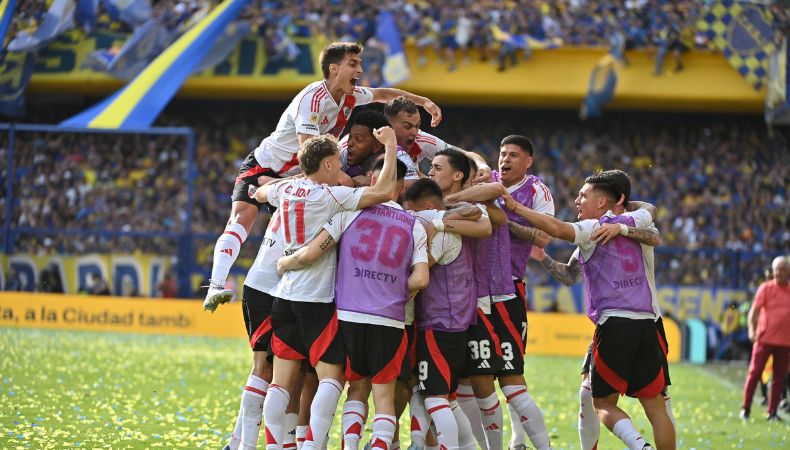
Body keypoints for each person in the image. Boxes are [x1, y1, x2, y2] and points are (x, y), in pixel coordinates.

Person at [204, 41, 442, 312]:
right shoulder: (312, 98)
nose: (360, 70)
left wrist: (423, 101)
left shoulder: (351, 96)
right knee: (241, 219)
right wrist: (341, 178)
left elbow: (382, 94)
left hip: (297, 176)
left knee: (297, 234)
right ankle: (215, 285)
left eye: (359, 64)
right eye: (353, 64)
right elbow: (310, 153)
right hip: (266, 167)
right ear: (333, 68)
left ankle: (287, 293)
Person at [500, 169, 675, 450]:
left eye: (584, 195)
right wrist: (542, 258)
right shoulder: (635, 220)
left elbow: (557, 229)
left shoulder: (590, 230)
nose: (577, 200)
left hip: (618, 324)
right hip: (644, 325)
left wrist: (513, 208)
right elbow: (570, 275)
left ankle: (640, 447)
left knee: (603, 403)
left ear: (604, 201)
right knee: (652, 404)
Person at [254, 128, 400, 450]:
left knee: (280, 382)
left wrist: (258, 191)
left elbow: (264, 193)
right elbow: (387, 190)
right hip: (315, 300)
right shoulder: (331, 196)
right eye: (339, 162)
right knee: (331, 379)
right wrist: (390, 146)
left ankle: (273, 446)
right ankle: (311, 445)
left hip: (284, 296)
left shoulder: (288, 189)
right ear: (330, 164)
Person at [276, 158, 429, 450]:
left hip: (348, 317)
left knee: (355, 389)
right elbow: (421, 279)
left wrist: (285, 262)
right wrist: (395, 290)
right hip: (391, 319)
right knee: (383, 397)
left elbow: (312, 253)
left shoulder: (348, 213)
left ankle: (348, 445)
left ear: (373, 178)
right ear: (401, 185)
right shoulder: (415, 225)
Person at [443, 136, 554, 450]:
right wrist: (479, 164)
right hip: (469, 291)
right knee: (469, 378)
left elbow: (543, 238)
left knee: (509, 375)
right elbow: (468, 151)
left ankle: (526, 441)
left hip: (507, 289)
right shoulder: (486, 178)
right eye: (502, 154)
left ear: (528, 161)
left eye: (513, 155)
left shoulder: (536, 190)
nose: (505, 160)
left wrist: (502, 219)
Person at [401, 178, 491, 450]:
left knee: (435, 397)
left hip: (438, 324)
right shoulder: (448, 222)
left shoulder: (438, 230)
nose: (411, 217)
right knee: (445, 397)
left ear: (427, 207)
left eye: (413, 211)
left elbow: (421, 271)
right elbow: (478, 216)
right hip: (454, 322)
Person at [741, 255, 790, 421]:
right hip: (764, 339)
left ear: (788, 271)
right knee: (755, 373)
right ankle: (745, 408)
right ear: (773, 271)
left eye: (783, 270)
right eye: (777, 270)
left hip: (785, 342)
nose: (780, 273)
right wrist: (751, 330)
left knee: (779, 379)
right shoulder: (766, 288)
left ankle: (772, 412)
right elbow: (754, 311)